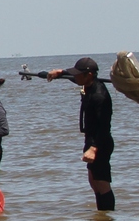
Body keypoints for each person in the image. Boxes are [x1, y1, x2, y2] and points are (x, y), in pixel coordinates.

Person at [46, 57, 115, 210]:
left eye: (79, 74)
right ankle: (102, 218)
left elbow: (104, 127)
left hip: (101, 142)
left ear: (89, 75)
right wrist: (60, 72)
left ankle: (109, 219)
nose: (75, 76)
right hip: (91, 139)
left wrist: (94, 148)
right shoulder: (88, 84)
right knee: (94, 182)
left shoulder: (99, 95)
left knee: (102, 183)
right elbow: (74, 78)